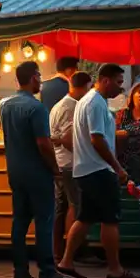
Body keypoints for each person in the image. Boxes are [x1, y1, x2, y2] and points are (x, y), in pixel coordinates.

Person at [58, 63, 140, 278]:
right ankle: (115, 269)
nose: (121, 87)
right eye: (118, 82)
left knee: (85, 217)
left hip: (85, 169)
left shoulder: (86, 101)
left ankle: (66, 262)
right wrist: (117, 167)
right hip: (98, 169)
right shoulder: (96, 103)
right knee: (110, 219)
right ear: (105, 80)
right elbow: (97, 138)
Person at [0, 62, 69, 278]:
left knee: (19, 220)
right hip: (37, 172)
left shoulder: (7, 106)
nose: (41, 80)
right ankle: (47, 271)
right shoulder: (37, 108)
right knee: (44, 220)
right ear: (33, 78)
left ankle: (20, 271)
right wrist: (55, 169)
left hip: (15, 171)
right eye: (39, 76)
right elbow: (43, 143)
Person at [49, 71, 93, 264]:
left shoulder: (57, 106)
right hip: (71, 163)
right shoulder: (73, 107)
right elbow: (68, 140)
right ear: (84, 87)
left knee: (60, 208)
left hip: (60, 163)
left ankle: (57, 251)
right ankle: (72, 252)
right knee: (75, 206)